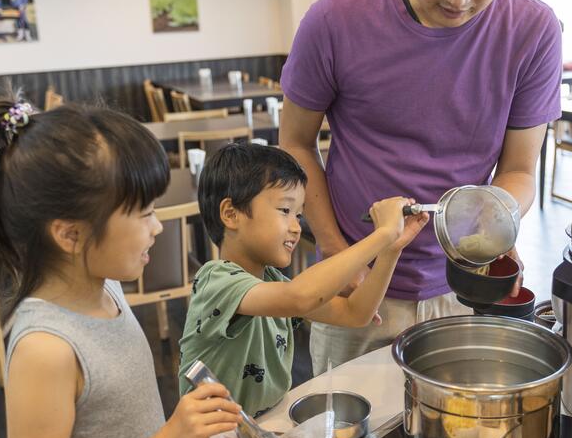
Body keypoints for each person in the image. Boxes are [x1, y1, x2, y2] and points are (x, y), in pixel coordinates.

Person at [279, 0, 563, 374]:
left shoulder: (534, 31)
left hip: (464, 286)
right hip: (353, 282)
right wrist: (336, 250)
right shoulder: (334, 20)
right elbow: (296, 144)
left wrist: (497, 224)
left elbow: (519, 171)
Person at [0, 101, 241, 438]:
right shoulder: (45, 349)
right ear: (70, 234)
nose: (158, 227)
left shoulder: (105, 286)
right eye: (144, 212)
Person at [177, 143, 426, 418]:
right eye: (285, 210)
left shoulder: (272, 282)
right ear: (231, 214)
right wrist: (381, 235)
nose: (296, 227)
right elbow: (300, 296)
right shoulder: (217, 281)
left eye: (298, 215)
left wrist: (390, 251)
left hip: (263, 425)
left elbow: (356, 313)